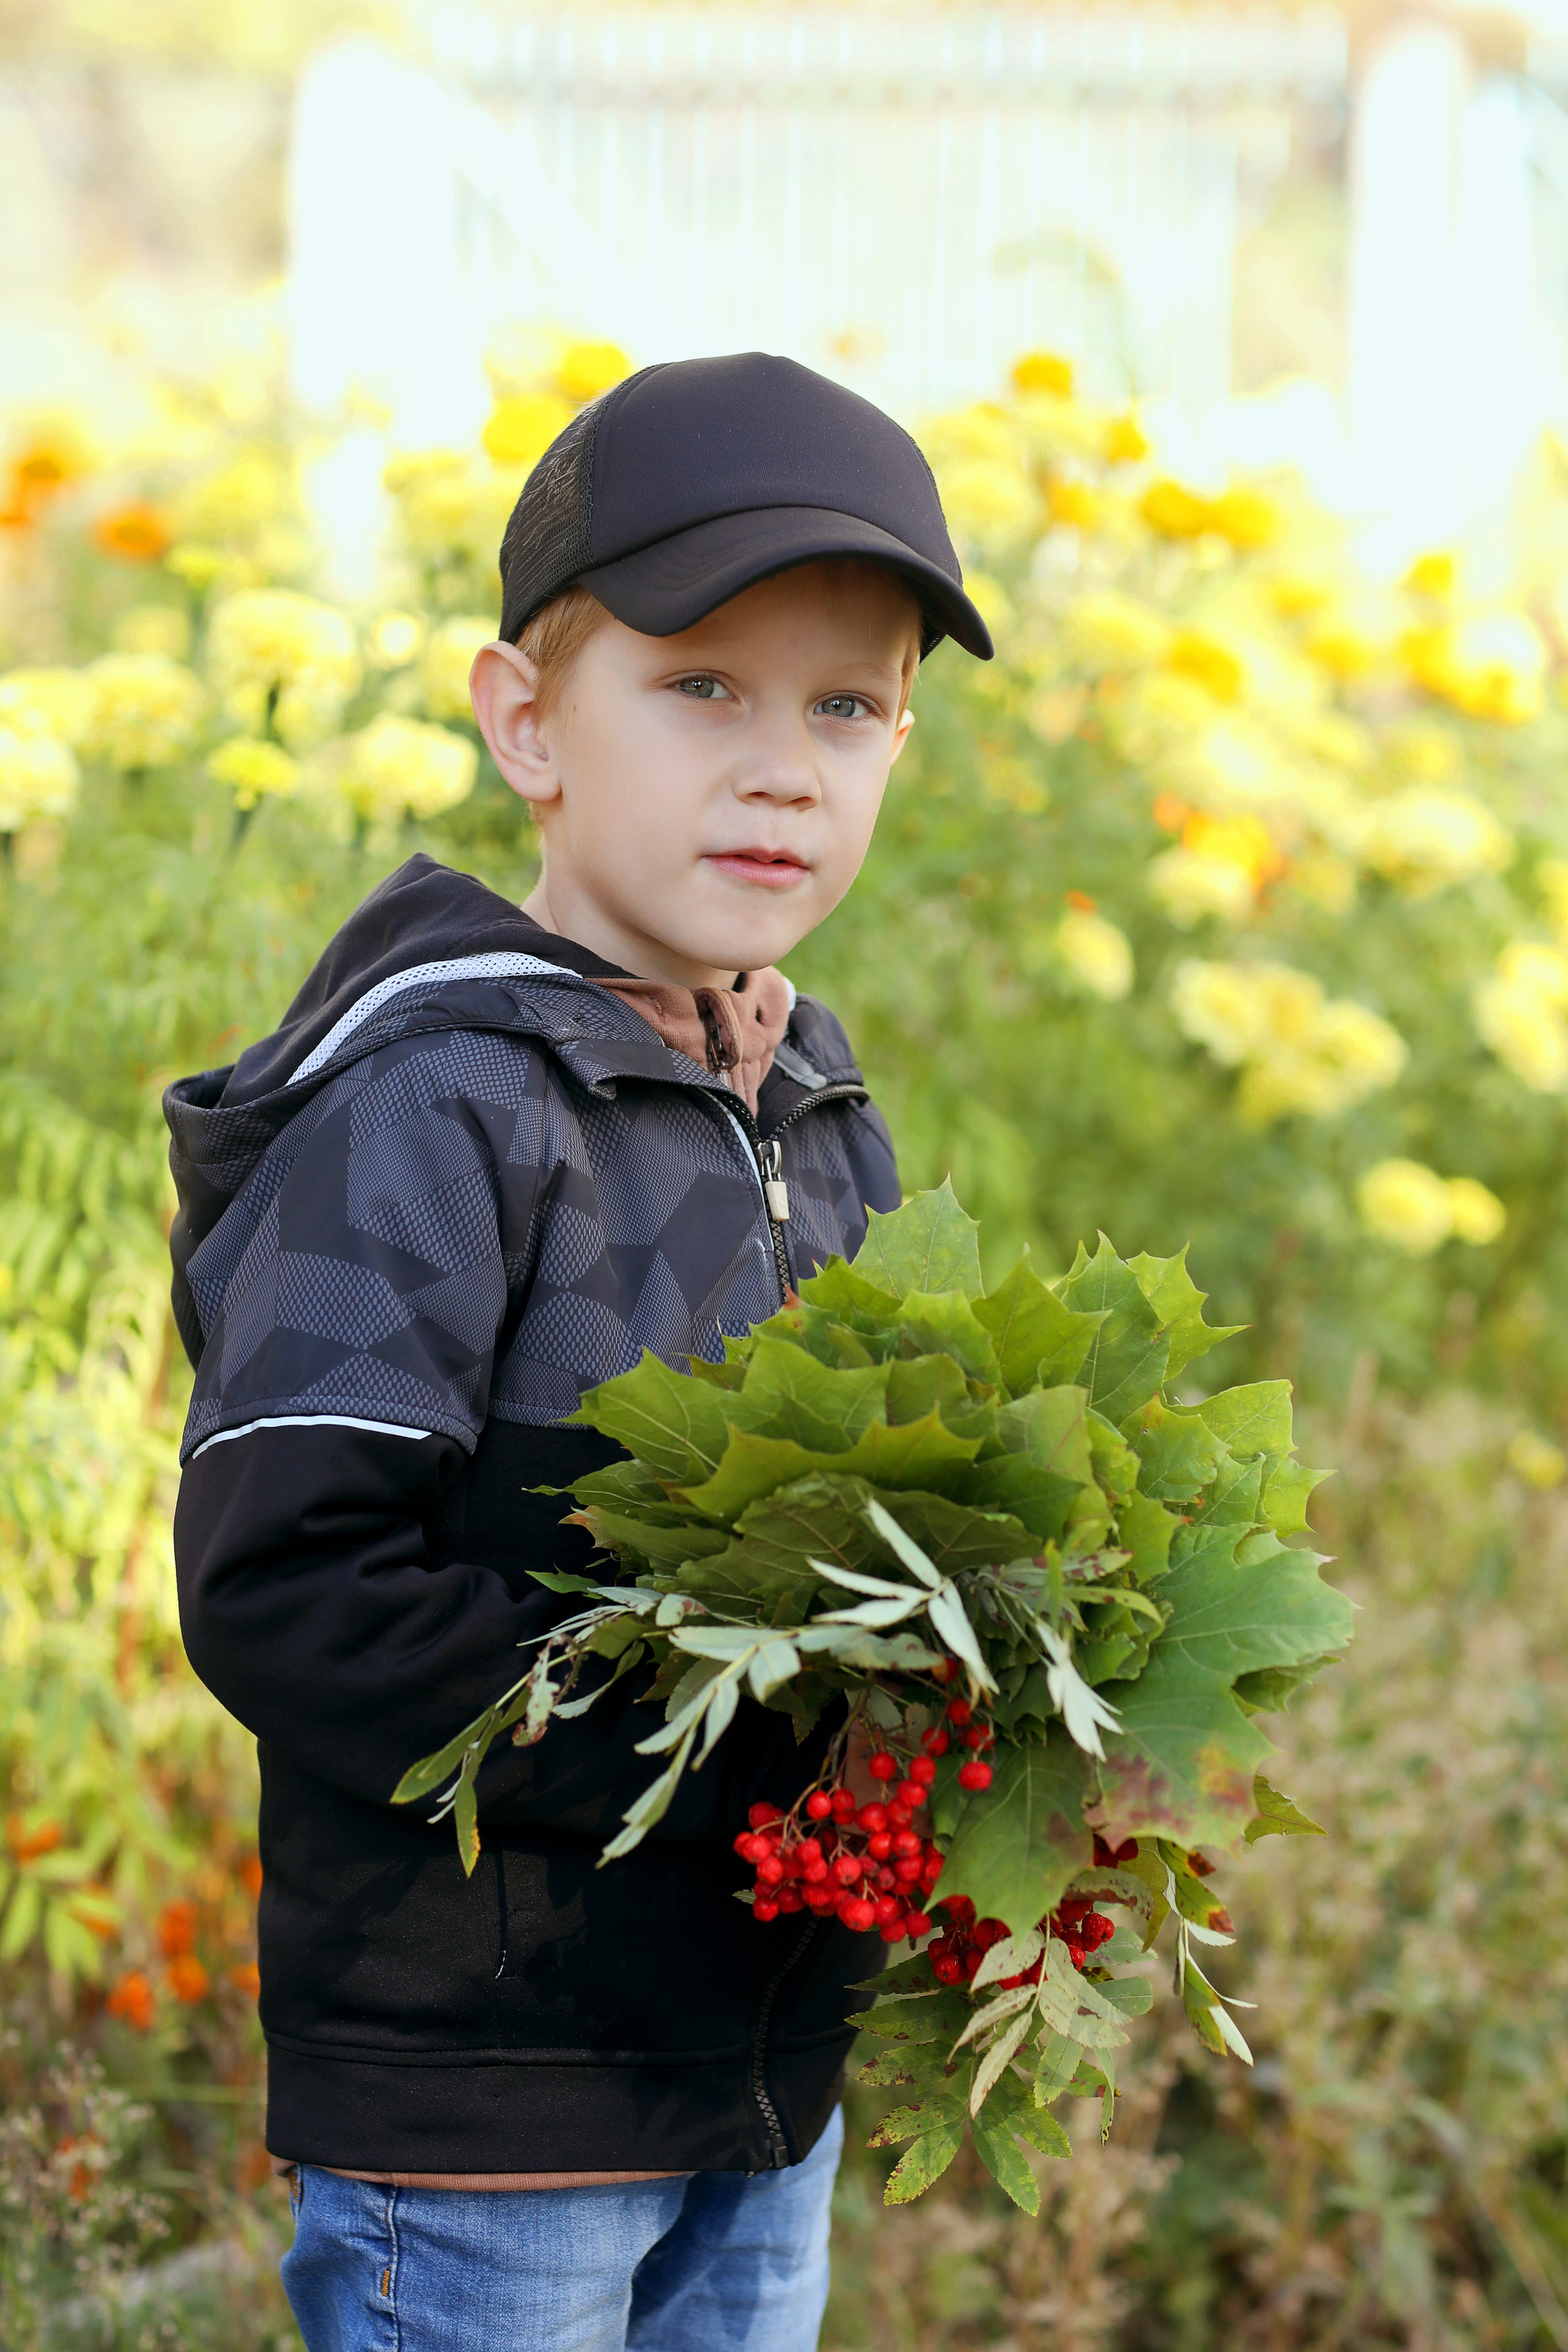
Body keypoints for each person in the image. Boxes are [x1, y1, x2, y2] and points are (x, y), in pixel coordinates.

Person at [164, 352, 992, 2352]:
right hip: (488, 2098)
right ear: (527, 720)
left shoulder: (821, 1109)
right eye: (703, 684)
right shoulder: (437, 1109)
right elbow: (292, 1585)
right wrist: (685, 1762)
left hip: (755, 2067)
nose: (782, 764)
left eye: (848, 705)